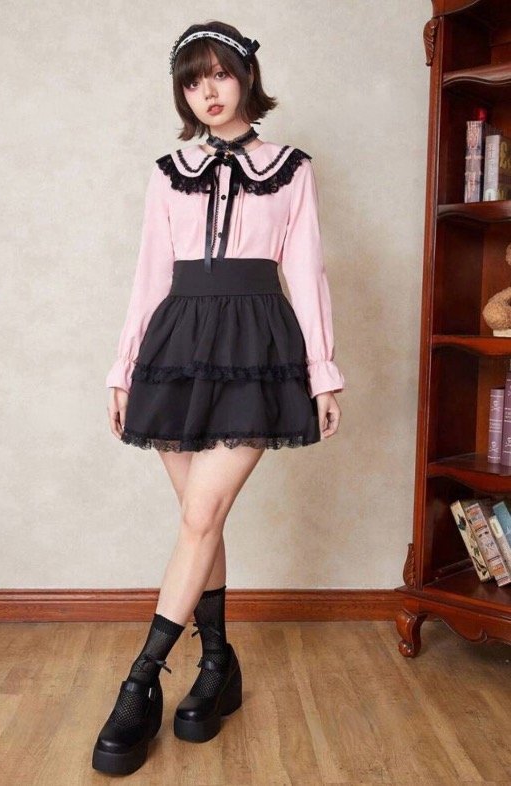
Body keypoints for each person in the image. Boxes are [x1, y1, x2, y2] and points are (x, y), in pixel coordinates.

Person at [92, 19, 345, 776]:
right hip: (175, 349)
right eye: (193, 79)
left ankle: (139, 684)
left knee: (202, 516)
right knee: (201, 521)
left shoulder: (290, 168)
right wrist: (122, 368)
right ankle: (217, 666)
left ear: (246, 79)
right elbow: (149, 275)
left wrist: (322, 372)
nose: (208, 91)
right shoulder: (168, 170)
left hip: (257, 349)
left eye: (221, 74)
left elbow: (306, 272)